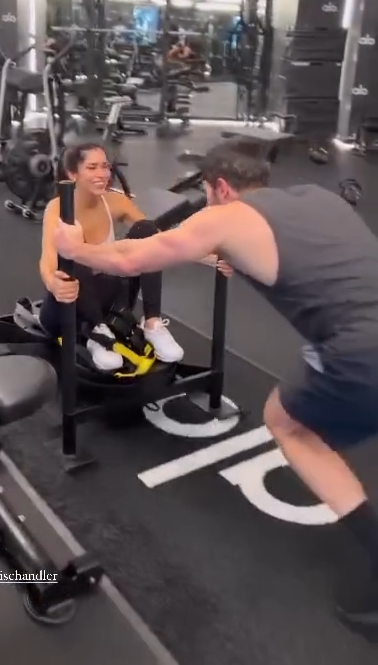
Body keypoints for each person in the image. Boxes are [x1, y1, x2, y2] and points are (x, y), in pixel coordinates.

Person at [55, 136, 378, 629]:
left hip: (362, 353)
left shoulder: (225, 216)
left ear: (221, 187)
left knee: (287, 425)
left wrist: (75, 248)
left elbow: (130, 260)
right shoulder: (320, 198)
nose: (207, 202)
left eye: (207, 194)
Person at [39, 142, 184, 372]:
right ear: (73, 174)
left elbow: (159, 240)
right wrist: (52, 283)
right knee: (74, 252)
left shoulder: (115, 201)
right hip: (68, 309)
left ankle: (152, 322)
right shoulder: (57, 208)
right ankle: (96, 333)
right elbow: (48, 259)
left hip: (109, 303)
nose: (102, 174)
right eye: (92, 167)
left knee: (146, 232)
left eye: (105, 166)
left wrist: (208, 255)